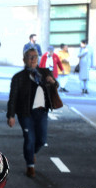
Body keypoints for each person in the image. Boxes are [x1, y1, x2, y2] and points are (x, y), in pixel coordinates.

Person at [7, 48, 59, 178]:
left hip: (42, 111)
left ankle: (32, 153)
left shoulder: (45, 73)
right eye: (30, 57)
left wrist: (53, 82)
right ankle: (30, 165)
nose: (33, 59)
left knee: (41, 139)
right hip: (25, 113)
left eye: (35, 56)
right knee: (29, 139)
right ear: (24, 60)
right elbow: (13, 97)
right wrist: (11, 115)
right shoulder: (18, 77)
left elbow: (55, 85)